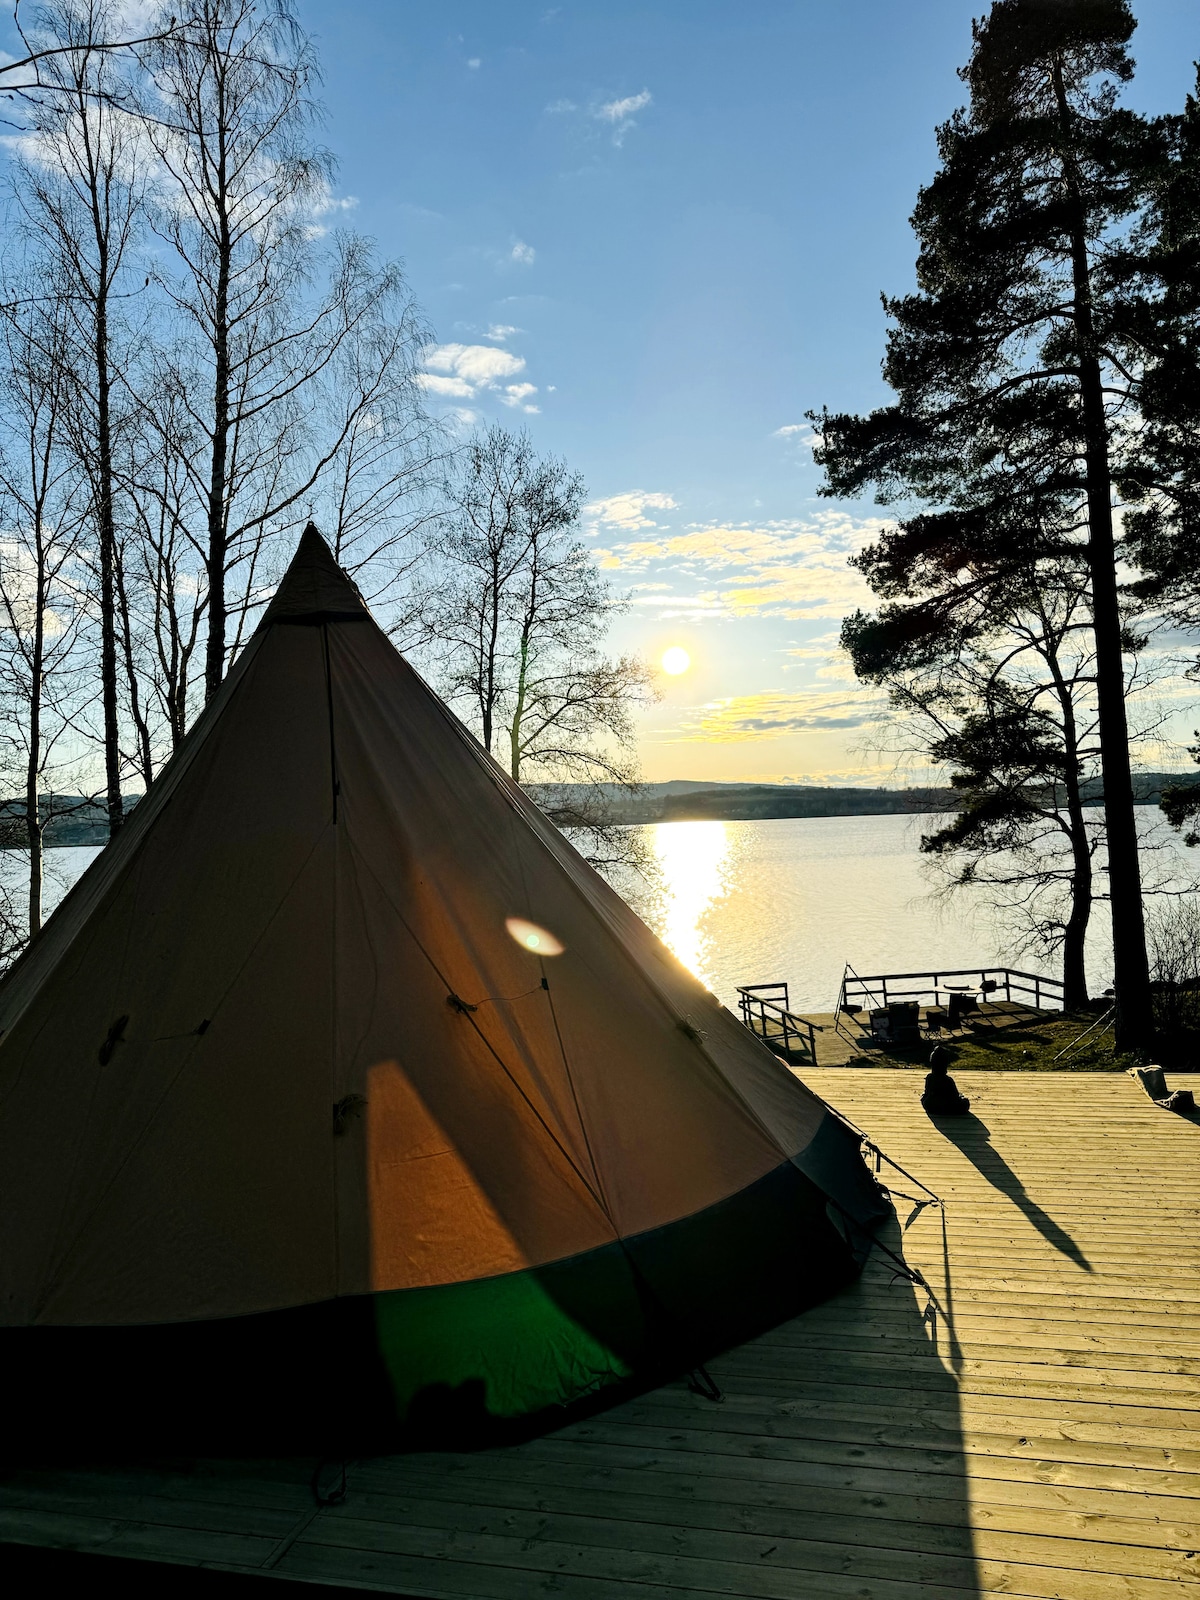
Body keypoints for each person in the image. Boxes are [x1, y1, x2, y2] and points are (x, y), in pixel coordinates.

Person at [922, 1044, 970, 1116]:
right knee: (965, 1102)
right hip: (946, 1106)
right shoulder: (948, 1080)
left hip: (932, 1106)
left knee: (924, 1098)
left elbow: (926, 1093)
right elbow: (955, 1096)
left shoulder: (930, 1078)